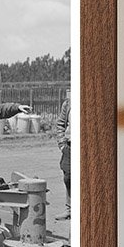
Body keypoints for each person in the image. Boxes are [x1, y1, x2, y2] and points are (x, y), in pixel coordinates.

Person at [55, 91, 72, 220]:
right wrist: (62, 143)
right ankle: (70, 209)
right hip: (70, 146)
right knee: (68, 177)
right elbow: (60, 124)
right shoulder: (68, 103)